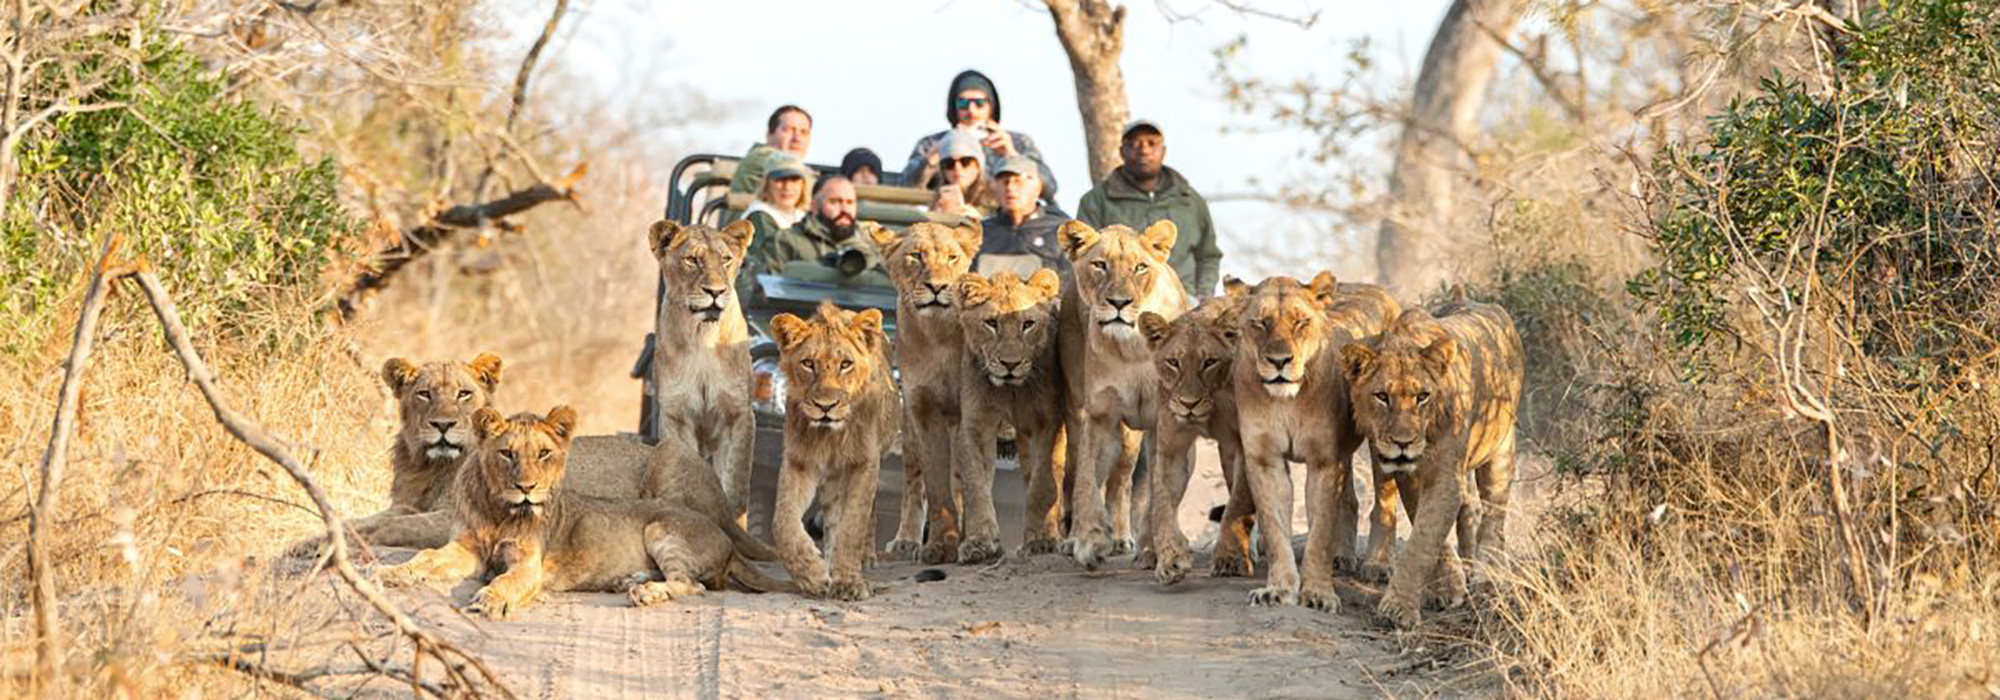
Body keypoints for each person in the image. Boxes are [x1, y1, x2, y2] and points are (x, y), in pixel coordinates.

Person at [1076, 119, 1224, 298]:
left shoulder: (1189, 200)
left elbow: (1208, 255)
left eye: (1152, 143)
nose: (1144, 150)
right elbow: (1082, 257)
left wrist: (1203, 295)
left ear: (1163, 151)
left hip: (1183, 298)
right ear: (1122, 152)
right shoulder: (1096, 201)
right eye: (1134, 144)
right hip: (1122, 300)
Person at [902, 70, 1057, 201]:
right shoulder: (933, 143)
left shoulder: (1017, 142)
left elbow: (1049, 188)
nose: (971, 110)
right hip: (948, 223)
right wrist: (932, 159)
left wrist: (1012, 156)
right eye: (963, 103)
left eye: (980, 103)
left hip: (1003, 225)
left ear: (991, 106)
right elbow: (904, 189)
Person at [757, 175, 888, 286]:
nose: (844, 209)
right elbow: (768, 291)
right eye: (834, 202)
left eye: (850, 202)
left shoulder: (874, 244)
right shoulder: (784, 241)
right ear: (814, 206)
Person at [975, 156, 1069, 277]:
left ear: (1038, 187)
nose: (1010, 188)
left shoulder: (1059, 232)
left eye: (1018, 181)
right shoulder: (981, 233)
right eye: (1004, 181)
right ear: (994, 188)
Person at [729, 105, 812, 196]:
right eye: (789, 130)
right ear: (769, 134)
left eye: (804, 132)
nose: (797, 139)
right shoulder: (762, 158)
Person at [930, 130, 995, 221]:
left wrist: (981, 223)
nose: (957, 168)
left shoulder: (999, 195)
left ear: (978, 166)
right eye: (949, 163)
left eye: (965, 162)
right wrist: (933, 221)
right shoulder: (938, 199)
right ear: (943, 170)